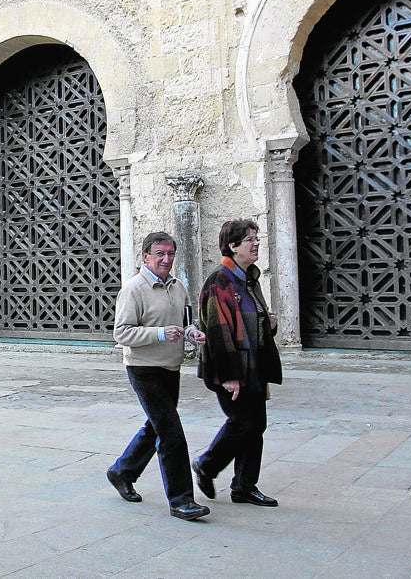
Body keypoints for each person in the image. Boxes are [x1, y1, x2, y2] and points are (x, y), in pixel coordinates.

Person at [107, 232, 211, 521]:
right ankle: (181, 500)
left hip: (171, 367)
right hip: (143, 368)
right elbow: (122, 333)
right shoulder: (133, 289)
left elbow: (185, 322)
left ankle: (121, 471)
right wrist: (161, 334)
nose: (166, 259)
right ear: (145, 256)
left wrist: (192, 333)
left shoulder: (178, 288)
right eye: (160, 254)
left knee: (155, 427)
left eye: (170, 254)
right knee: (171, 434)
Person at [193, 219, 284, 508]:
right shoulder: (220, 279)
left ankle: (244, 486)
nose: (256, 243)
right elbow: (217, 330)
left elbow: (252, 319)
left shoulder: (250, 278)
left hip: (254, 365)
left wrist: (268, 323)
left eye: (256, 238)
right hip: (230, 367)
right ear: (233, 246)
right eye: (249, 240)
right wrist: (229, 375)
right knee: (243, 422)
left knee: (257, 424)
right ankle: (207, 464)